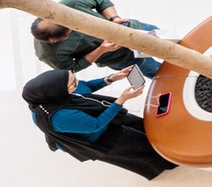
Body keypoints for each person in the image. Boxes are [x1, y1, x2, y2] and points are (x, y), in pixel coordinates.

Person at [21, 68, 176, 179]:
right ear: (57, 92)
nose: (77, 83)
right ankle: (170, 160)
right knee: (142, 148)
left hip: (109, 121)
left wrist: (111, 78)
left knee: (145, 130)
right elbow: (96, 124)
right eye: (72, 83)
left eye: (74, 77)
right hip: (106, 138)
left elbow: (85, 87)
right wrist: (122, 100)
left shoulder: (53, 96)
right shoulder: (60, 117)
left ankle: (171, 148)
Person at [31, 0, 161, 79]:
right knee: (159, 73)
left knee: (174, 44)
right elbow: (73, 67)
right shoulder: (49, 54)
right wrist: (101, 49)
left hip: (134, 29)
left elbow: (101, 1)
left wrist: (114, 18)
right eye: (67, 35)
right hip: (120, 58)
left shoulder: (67, 6)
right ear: (53, 41)